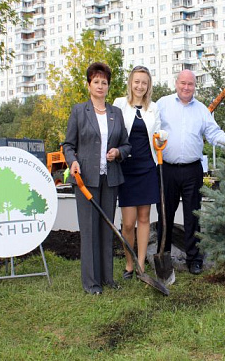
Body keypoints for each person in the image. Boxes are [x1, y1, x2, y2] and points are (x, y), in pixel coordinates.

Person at [63, 62, 131, 295]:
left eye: (104, 82)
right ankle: (91, 283)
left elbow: (126, 143)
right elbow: (68, 144)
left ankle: (107, 278)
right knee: (90, 231)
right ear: (89, 85)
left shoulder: (116, 113)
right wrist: (72, 160)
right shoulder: (79, 111)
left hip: (109, 179)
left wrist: (119, 152)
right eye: (96, 82)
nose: (100, 86)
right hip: (86, 180)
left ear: (108, 86)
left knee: (106, 227)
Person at [156, 69, 225, 275]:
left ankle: (194, 259)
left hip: (192, 170)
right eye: (183, 83)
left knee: (193, 216)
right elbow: (151, 127)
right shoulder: (162, 104)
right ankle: (163, 258)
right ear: (176, 83)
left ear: (194, 86)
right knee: (165, 215)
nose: (186, 87)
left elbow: (214, 134)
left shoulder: (201, 110)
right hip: (166, 169)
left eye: (190, 84)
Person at [113, 66, 166, 279]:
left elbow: (159, 133)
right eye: (137, 81)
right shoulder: (119, 104)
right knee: (128, 223)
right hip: (126, 167)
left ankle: (141, 265)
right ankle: (129, 262)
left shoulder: (153, 108)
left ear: (148, 85)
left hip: (147, 167)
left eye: (144, 82)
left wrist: (162, 137)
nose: (140, 86)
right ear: (130, 83)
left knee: (144, 218)